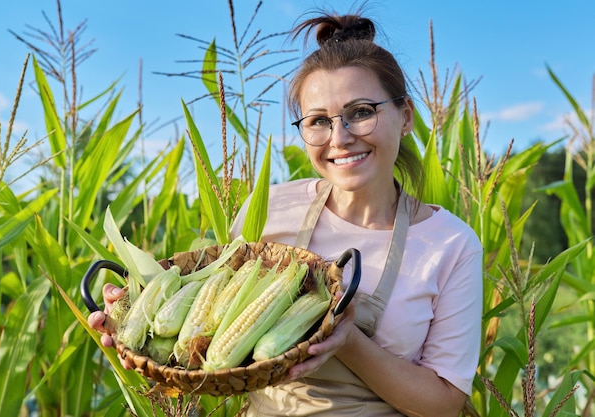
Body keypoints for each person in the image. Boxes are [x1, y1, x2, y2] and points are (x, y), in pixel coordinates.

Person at [89, 9, 483, 417]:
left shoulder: (450, 245)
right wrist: (138, 313)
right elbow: (211, 340)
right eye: (317, 121)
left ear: (405, 117)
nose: (340, 138)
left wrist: (347, 340)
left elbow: (444, 404)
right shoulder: (273, 210)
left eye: (362, 112)